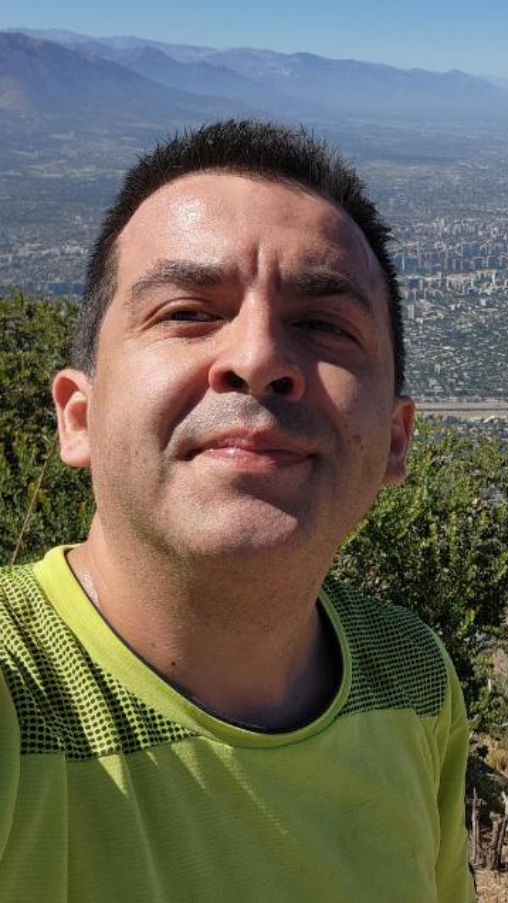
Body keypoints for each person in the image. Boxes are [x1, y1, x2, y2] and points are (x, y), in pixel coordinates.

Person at [0, 120, 475, 902]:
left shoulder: (414, 677)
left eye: (322, 325)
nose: (257, 359)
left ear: (395, 441)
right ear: (78, 418)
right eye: (187, 311)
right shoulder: (20, 689)